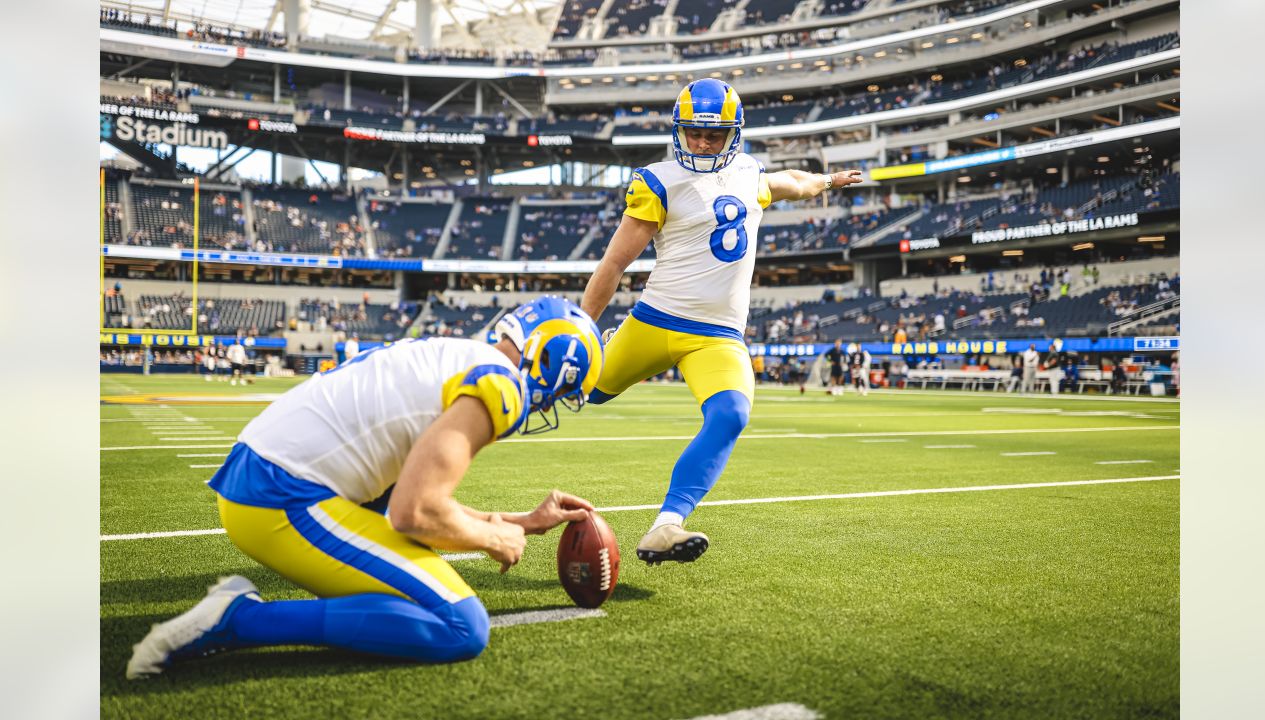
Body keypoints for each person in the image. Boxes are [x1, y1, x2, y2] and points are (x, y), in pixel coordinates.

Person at [126, 297, 605, 678]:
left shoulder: (457, 354)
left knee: (415, 559)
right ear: (552, 361)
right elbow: (414, 513)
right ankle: (238, 619)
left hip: (267, 475)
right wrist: (491, 538)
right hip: (280, 495)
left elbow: (409, 500)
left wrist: (520, 523)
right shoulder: (502, 385)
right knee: (461, 626)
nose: (550, 407)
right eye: (563, 392)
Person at [578, 78, 863, 565]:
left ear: (736, 134)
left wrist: (829, 181)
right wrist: (579, 329)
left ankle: (666, 525)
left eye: (716, 134)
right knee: (580, 393)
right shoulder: (658, 180)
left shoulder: (750, 173)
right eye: (695, 133)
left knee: (732, 414)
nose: (705, 142)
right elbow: (613, 264)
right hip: (655, 321)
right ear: (679, 131)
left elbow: (790, 182)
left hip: (716, 337)